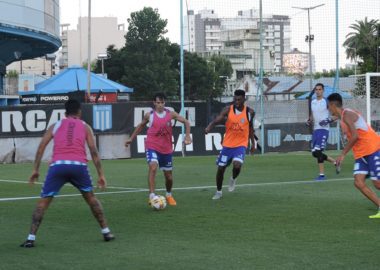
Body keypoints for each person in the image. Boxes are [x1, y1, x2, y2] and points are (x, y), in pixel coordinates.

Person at [20, 100, 115, 248]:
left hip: (58, 166)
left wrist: (35, 170)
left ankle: (30, 238)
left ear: (65, 113)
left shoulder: (55, 125)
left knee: (43, 203)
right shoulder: (85, 126)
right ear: (79, 112)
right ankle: (106, 232)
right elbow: (93, 151)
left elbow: (41, 147)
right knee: (91, 199)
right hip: (78, 166)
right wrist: (101, 174)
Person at [125, 93, 192, 206]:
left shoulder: (170, 114)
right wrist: (131, 139)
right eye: (158, 103)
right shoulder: (149, 115)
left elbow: (186, 122)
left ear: (164, 103)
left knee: (169, 176)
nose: (160, 105)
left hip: (166, 149)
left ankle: (169, 195)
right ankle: (152, 196)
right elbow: (141, 126)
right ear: (154, 103)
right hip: (152, 146)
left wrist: (187, 135)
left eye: (162, 102)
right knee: (153, 166)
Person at [327, 93, 380, 218]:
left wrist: (342, 154)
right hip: (361, 153)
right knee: (358, 182)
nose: (328, 108)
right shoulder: (344, 117)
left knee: (378, 184)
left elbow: (355, 136)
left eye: (328, 106)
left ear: (333, 105)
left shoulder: (347, 115)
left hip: (373, 149)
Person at [205, 89, 256, 200]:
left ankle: (233, 178)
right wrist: (209, 127)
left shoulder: (250, 112)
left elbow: (250, 128)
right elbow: (217, 120)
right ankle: (218, 192)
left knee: (237, 165)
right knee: (221, 168)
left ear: (244, 99)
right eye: (235, 99)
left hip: (241, 144)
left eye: (239, 99)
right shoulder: (228, 110)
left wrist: (253, 143)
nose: (236, 101)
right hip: (227, 144)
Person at [308, 83, 337, 180]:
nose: (318, 91)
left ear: (323, 91)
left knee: (318, 151)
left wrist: (328, 120)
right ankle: (335, 162)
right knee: (314, 153)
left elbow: (337, 115)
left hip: (324, 130)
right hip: (316, 130)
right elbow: (312, 115)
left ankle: (321, 175)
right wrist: (309, 120)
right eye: (316, 89)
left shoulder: (326, 101)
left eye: (320, 89)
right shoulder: (313, 102)